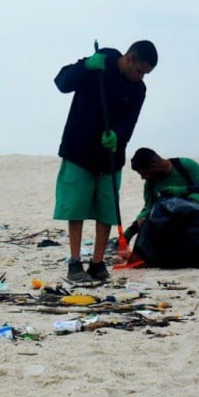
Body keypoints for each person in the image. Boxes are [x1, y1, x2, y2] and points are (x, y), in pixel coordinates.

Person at [52, 40, 157, 283]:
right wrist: (86, 66)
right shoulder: (97, 66)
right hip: (78, 150)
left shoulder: (138, 90)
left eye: (146, 74)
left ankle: (97, 264)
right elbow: (61, 82)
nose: (142, 77)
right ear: (129, 58)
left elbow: (129, 125)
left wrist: (117, 137)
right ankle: (75, 263)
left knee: (106, 211)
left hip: (110, 158)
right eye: (140, 71)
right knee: (75, 208)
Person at [120, 147, 199, 268]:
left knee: (193, 198)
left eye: (144, 173)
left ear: (154, 164)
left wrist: (182, 191)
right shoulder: (150, 184)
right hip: (176, 231)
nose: (143, 178)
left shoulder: (185, 166)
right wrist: (130, 232)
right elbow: (149, 209)